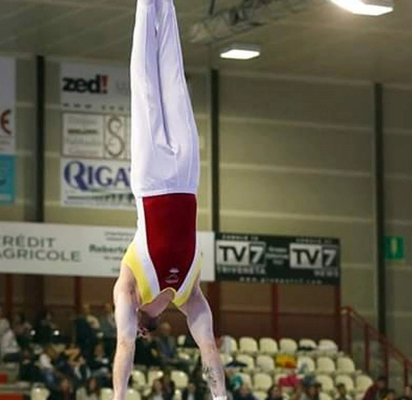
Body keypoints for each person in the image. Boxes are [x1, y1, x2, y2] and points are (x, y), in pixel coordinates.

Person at [112, 2, 225, 400]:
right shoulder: (188, 295)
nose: (133, 329)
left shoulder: (132, 287)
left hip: (158, 180)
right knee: (171, 81)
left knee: (148, 85)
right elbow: (207, 349)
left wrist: (120, 398)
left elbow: (125, 346)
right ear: (146, 327)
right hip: (183, 177)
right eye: (138, 327)